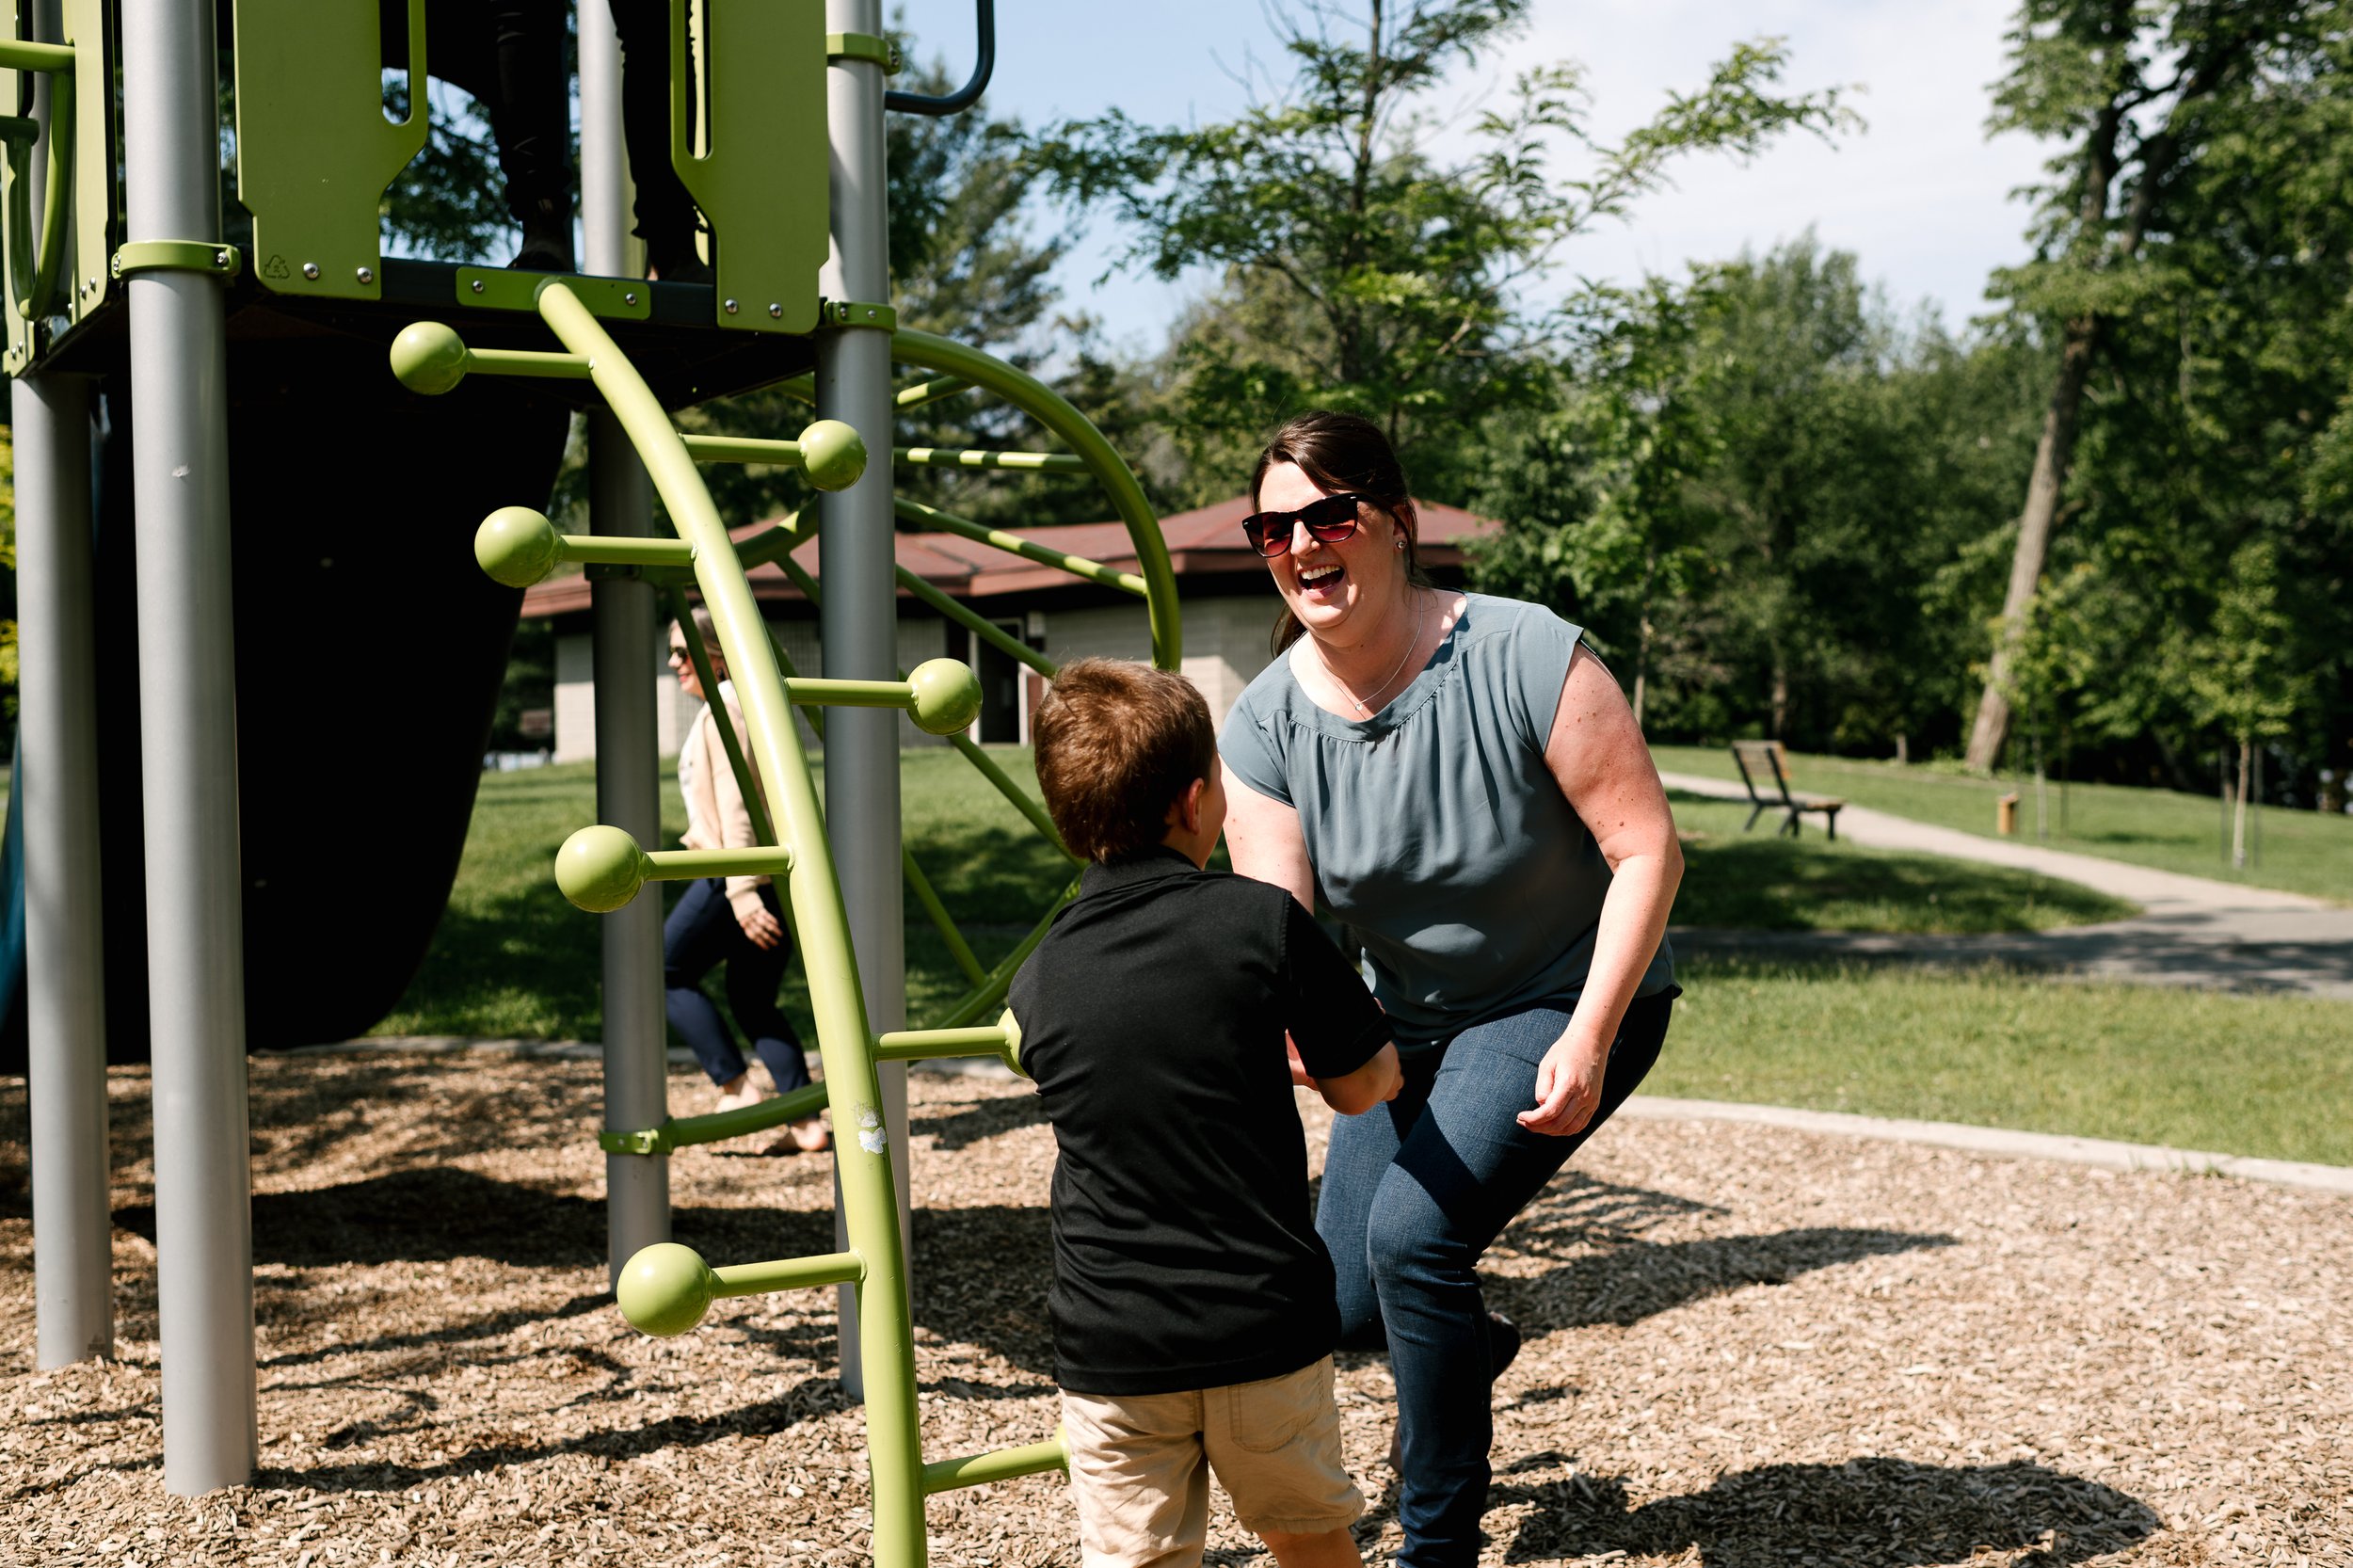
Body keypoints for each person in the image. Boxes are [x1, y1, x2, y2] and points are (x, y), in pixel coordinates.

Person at [1218, 411, 1684, 1567]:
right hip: (1405, 1019)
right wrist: (1291, 1018)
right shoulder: (1267, 719)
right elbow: (1281, 922)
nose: (1302, 544)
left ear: (1394, 522)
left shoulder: (1528, 653)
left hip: (1563, 993)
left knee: (1416, 1237)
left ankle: (1437, 1546)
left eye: (1328, 514)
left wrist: (1586, 1033)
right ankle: (1464, 1349)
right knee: (1343, 1302)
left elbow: (1646, 850)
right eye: (1274, 528)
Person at [1009, 659, 1405, 1568]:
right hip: (1259, 1327)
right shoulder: (1261, 923)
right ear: (1196, 802)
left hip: (1112, 1344)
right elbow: (1362, 1084)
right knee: (1310, 1539)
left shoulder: (1041, 976)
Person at [664, 610, 825, 1153]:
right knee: (752, 999)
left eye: (683, 653)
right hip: (769, 876)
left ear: (718, 655)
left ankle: (735, 1086)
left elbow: (739, 805)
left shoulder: (724, 711)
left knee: (662, 970)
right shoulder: (743, 706)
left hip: (734, 875)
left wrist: (740, 890)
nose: (673, 663)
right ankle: (806, 1125)